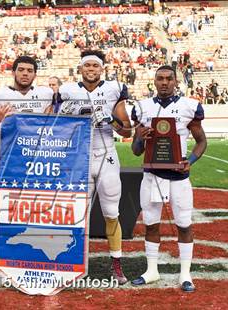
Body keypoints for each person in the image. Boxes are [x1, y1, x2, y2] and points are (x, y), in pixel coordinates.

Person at [130, 65, 207, 292]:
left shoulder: (189, 107)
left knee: (183, 224)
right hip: (152, 175)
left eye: (168, 79)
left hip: (179, 175)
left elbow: (202, 141)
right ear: (154, 81)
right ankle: (152, 270)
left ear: (176, 81)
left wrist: (189, 161)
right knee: (151, 224)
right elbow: (136, 151)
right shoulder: (142, 108)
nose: (164, 83)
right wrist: (140, 138)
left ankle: (185, 274)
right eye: (160, 79)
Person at [58, 50, 132, 285]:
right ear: (80, 68)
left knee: (111, 212)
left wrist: (110, 120)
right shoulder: (67, 91)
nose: (91, 69)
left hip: (106, 154)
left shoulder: (113, 89)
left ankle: (117, 265)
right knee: (77, 214)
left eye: (95, 66)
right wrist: (63, 116)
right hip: (78, 156)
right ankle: (72, 262)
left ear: (102, 69)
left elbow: (127, 130)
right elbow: (55, 128)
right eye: (87, 65)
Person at [0, 56, 54, 164]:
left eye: (30, 71)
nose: (25, 73)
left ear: (35, 75)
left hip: (39, 158)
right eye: (21, 70)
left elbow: (52, 131)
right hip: (10, 159)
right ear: (13, 72)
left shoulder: (46, 94)